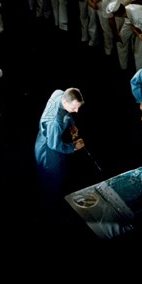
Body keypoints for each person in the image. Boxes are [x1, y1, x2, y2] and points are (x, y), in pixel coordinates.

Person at [34, 87, 85, 218]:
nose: (77, 111)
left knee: (61, 173)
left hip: (53, 138)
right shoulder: (54, 123)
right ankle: (52, 211)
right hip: (47, 150)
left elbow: (67, 115)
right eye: (74, 108)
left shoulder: (59, 93)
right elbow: (54, 145)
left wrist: (72, 124)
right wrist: (74, 147)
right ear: (65, 102)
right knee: (51, 180)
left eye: (78, 107)